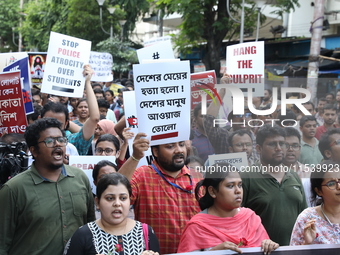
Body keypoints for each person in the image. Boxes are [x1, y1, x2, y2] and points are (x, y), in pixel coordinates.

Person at [0, 118, 95, 255]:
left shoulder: (80, 178)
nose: (57, 145)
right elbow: (2, 244)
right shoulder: (13, 189)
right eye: (49, 141)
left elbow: (90, 227)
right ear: (34, 151)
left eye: (61, 140)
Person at [118, 134, 201, 254]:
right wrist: (135, 157)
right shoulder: (142, 175)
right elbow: (118, 192)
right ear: (156, 151)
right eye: (170, 146)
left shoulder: (197, 177)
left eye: (181, 144)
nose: (179, 150)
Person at [177, 163, 279, 253]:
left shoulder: (250, 218)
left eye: (240, 185)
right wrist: (214, 253)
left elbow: (265, 248)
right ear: (212, 191)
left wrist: (268, 245)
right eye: (230, 186)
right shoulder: (197, 227)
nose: (238, 191)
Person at [241, 124, 307, 246]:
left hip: (294, 250)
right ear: (259, 148)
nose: (278, 148)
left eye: (282, 144)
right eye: (272, 144)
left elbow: (304, 216)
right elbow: (237, 218)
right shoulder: (246, 177)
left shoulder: (293, 176)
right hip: (260, 250)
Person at [64, 172, 160, 255]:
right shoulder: (83, 234)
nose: (117, 204)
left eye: (123, 198)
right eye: (110, 198)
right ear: (97, 202)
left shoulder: (145, 232)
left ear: (130, 201)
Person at [41, 65, 100, 155]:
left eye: (58, 124)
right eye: (48, 122)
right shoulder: (32, 140)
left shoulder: (72, 143)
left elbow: (94, 118)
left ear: (66, 124)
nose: (53, 127)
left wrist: (87, 82)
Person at [290, 160, 340, 245]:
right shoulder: (307, 218)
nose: (339, 186)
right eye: (331, 183)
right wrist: (307, 243)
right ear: (319, 191)